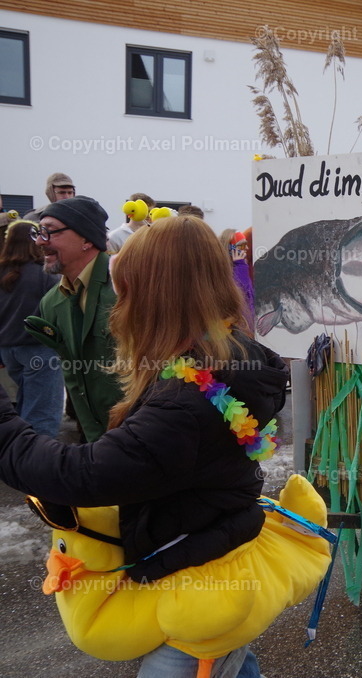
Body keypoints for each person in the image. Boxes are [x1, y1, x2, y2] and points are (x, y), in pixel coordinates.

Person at [0, 215, 296, 677]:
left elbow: (84, 475)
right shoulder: (225, 355)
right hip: (210, 551)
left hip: (200, 580)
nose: (120, 305)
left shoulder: (188, 402)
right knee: (229, 658)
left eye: (128, 290)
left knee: (206, 654)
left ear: (156, 296)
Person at [25, 196, 121, 442]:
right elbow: (74, 377)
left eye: (51, 232)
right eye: (38, 232)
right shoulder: (50, 303)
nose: (39, 241)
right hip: (97, 440)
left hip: (146, 433)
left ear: (87, 239)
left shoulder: (126, 286)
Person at [0, 221, 64, 436]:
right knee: (43, 415)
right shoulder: (45, 273)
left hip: (9, 351)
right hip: (40, 350)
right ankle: (36, 465)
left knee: (25, 409)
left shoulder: (3, 272)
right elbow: (60, 311)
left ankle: (18, 460)